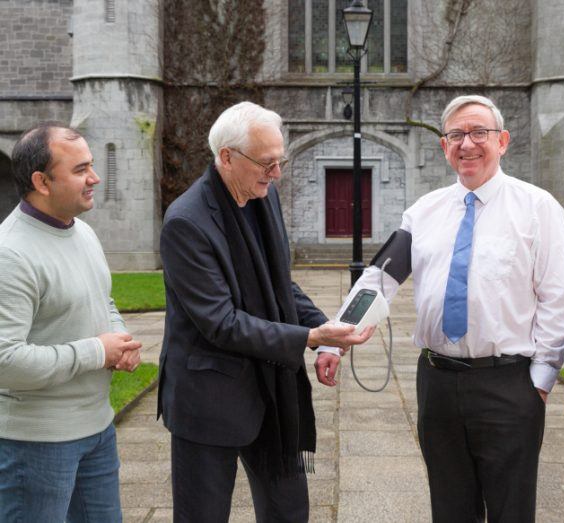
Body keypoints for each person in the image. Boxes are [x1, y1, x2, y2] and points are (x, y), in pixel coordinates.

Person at [318, 95, 564, 522]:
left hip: (509, 384)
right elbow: (378, 280)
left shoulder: (538, 209)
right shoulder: (423, 212)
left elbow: (560, 299)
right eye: (456, 134)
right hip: (437, 384)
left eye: (480, 132)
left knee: (511, 511)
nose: (467, 143)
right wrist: (335, 341)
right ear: (444, 146)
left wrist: (541, 379)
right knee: (450, 509)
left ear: (503, 141)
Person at [158, 101, 372, 522]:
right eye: (267, 163)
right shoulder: (185, 222)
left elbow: (280, 284)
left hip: (272, 387)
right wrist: (309, 339)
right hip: (209, 397)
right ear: (226, 158)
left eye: (281, 160)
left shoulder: (263, 195)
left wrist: (324, 328)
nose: (277, 173)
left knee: (289, 511)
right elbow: (221, 323)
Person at [0, 123, 142, 522]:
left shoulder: (83, 232)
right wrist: (98, 351)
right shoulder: (10, 255)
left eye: (92, 166)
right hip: (36, 444)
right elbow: (5, 361)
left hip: (98, 429)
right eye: (80, 170)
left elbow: (103, 298)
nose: (95, 178)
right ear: (42, 181)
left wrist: (119, 338)